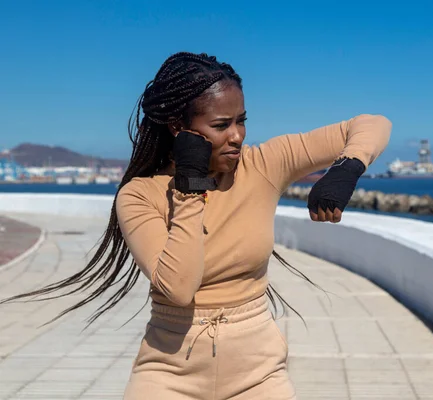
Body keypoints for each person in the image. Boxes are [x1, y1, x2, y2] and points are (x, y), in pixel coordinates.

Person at [3, 52, 391, 399]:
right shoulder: (140, 196)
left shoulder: (263, 164)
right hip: (168, 373)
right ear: (179, 128)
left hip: (258, 374)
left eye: (242, 121)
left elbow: (371, 124)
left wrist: (347, 167)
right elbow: (178, 288)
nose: (237, 136)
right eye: (221, 124)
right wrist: (190, 190)